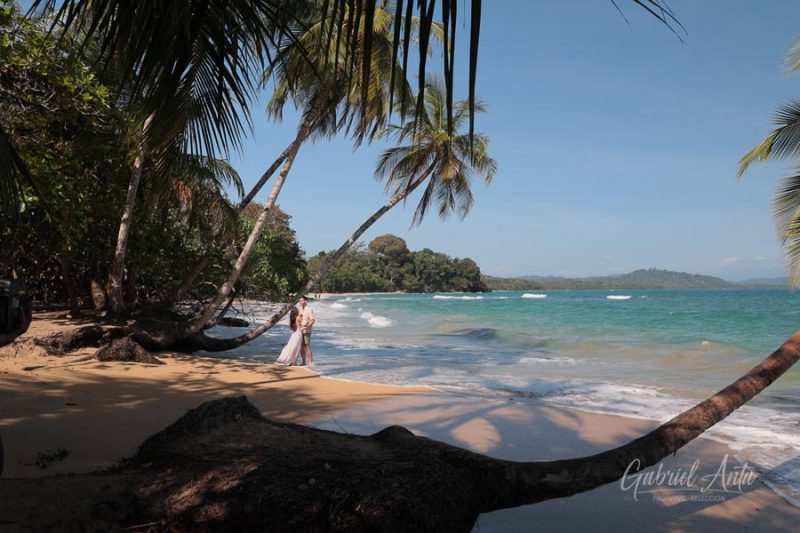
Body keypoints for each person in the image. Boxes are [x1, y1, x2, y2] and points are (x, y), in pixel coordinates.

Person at [298, 295, 316, 366]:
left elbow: (313, 320)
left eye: (302, 301)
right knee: (301, 346)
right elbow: (299, 318)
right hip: (300, 330)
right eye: (300, 301)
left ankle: (311, 362)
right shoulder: (300, 309)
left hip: (307, 330)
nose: (301, 302)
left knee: (307, 345)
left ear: (305, 301)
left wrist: (306, 327)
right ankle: (303, 362)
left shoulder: (309, 309)